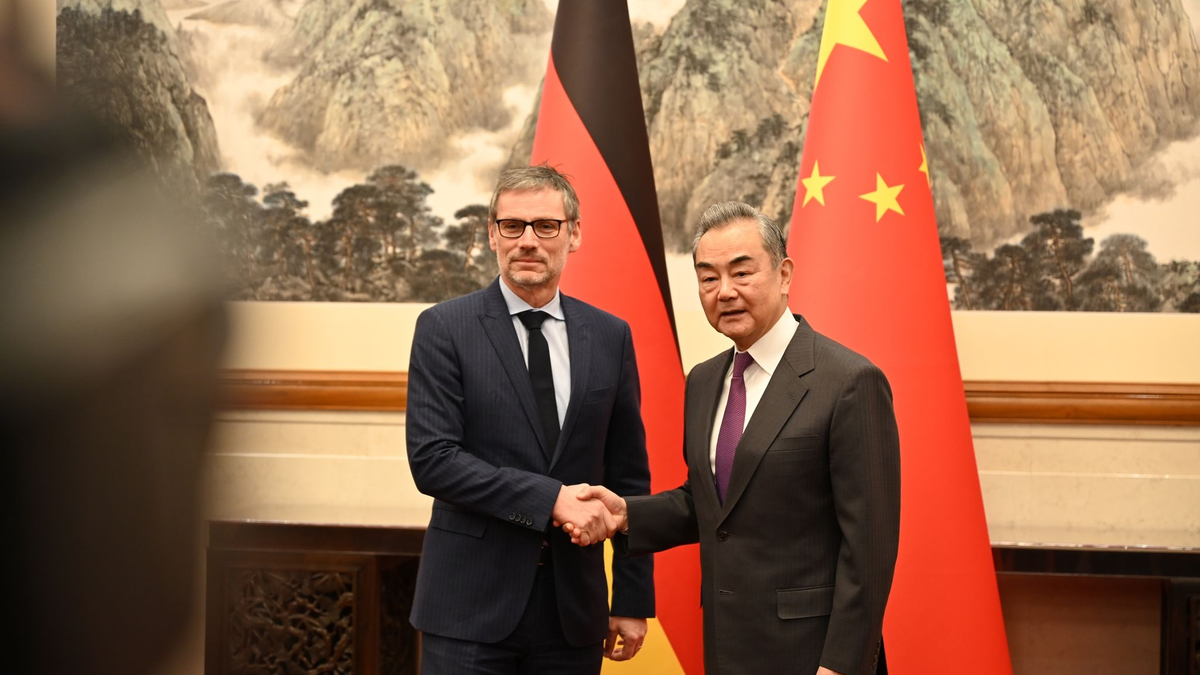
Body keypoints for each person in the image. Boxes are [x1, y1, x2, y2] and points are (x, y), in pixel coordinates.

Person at [569, 202, 901, 675]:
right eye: (708, 278)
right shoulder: (705, 381)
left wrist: (841, 666)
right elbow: (712, 502)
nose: (724, 292)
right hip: (728, 648)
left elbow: (868, 549)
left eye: (741, 273)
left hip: (814, 656)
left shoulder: (849, 381)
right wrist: (626, 515)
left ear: (784, 274)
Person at [405, 165, 655, 674]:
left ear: (574, 234)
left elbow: (629, 477)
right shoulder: (444, 328)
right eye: (512, 226)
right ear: (492, 234)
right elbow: (434, 461)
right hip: (468, 609)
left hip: (573, 613)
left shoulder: (611, 336)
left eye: (546, 226)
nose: (528, 241)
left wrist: (631, 595)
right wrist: (551, 500)